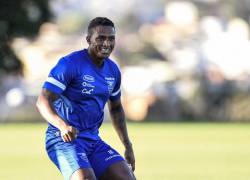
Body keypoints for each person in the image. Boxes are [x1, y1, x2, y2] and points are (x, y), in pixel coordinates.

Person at [36, 17, 135, 180]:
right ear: (88, 39)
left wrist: (128, 146)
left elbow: (116, 109)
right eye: (101, 38)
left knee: (126, 177)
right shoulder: (69, 64)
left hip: (92, 140)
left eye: (111, 39)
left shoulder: (113, 70)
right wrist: (62, 126)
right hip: (63, 139)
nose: (106, 44)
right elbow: (43, 100)